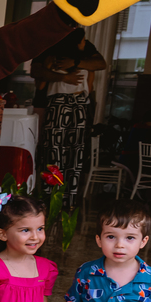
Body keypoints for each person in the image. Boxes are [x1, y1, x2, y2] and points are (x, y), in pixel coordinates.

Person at [31, 28, 106, 206]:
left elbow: (92, 82)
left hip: (70, 104)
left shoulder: (84, 60)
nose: (84, 43)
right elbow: (40, 79)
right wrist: (62, 79)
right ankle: (59, 197)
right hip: (67, 104)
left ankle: (62, 197)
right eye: (82, 40)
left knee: (67, 150)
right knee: (61, 149)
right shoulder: (52, 56)